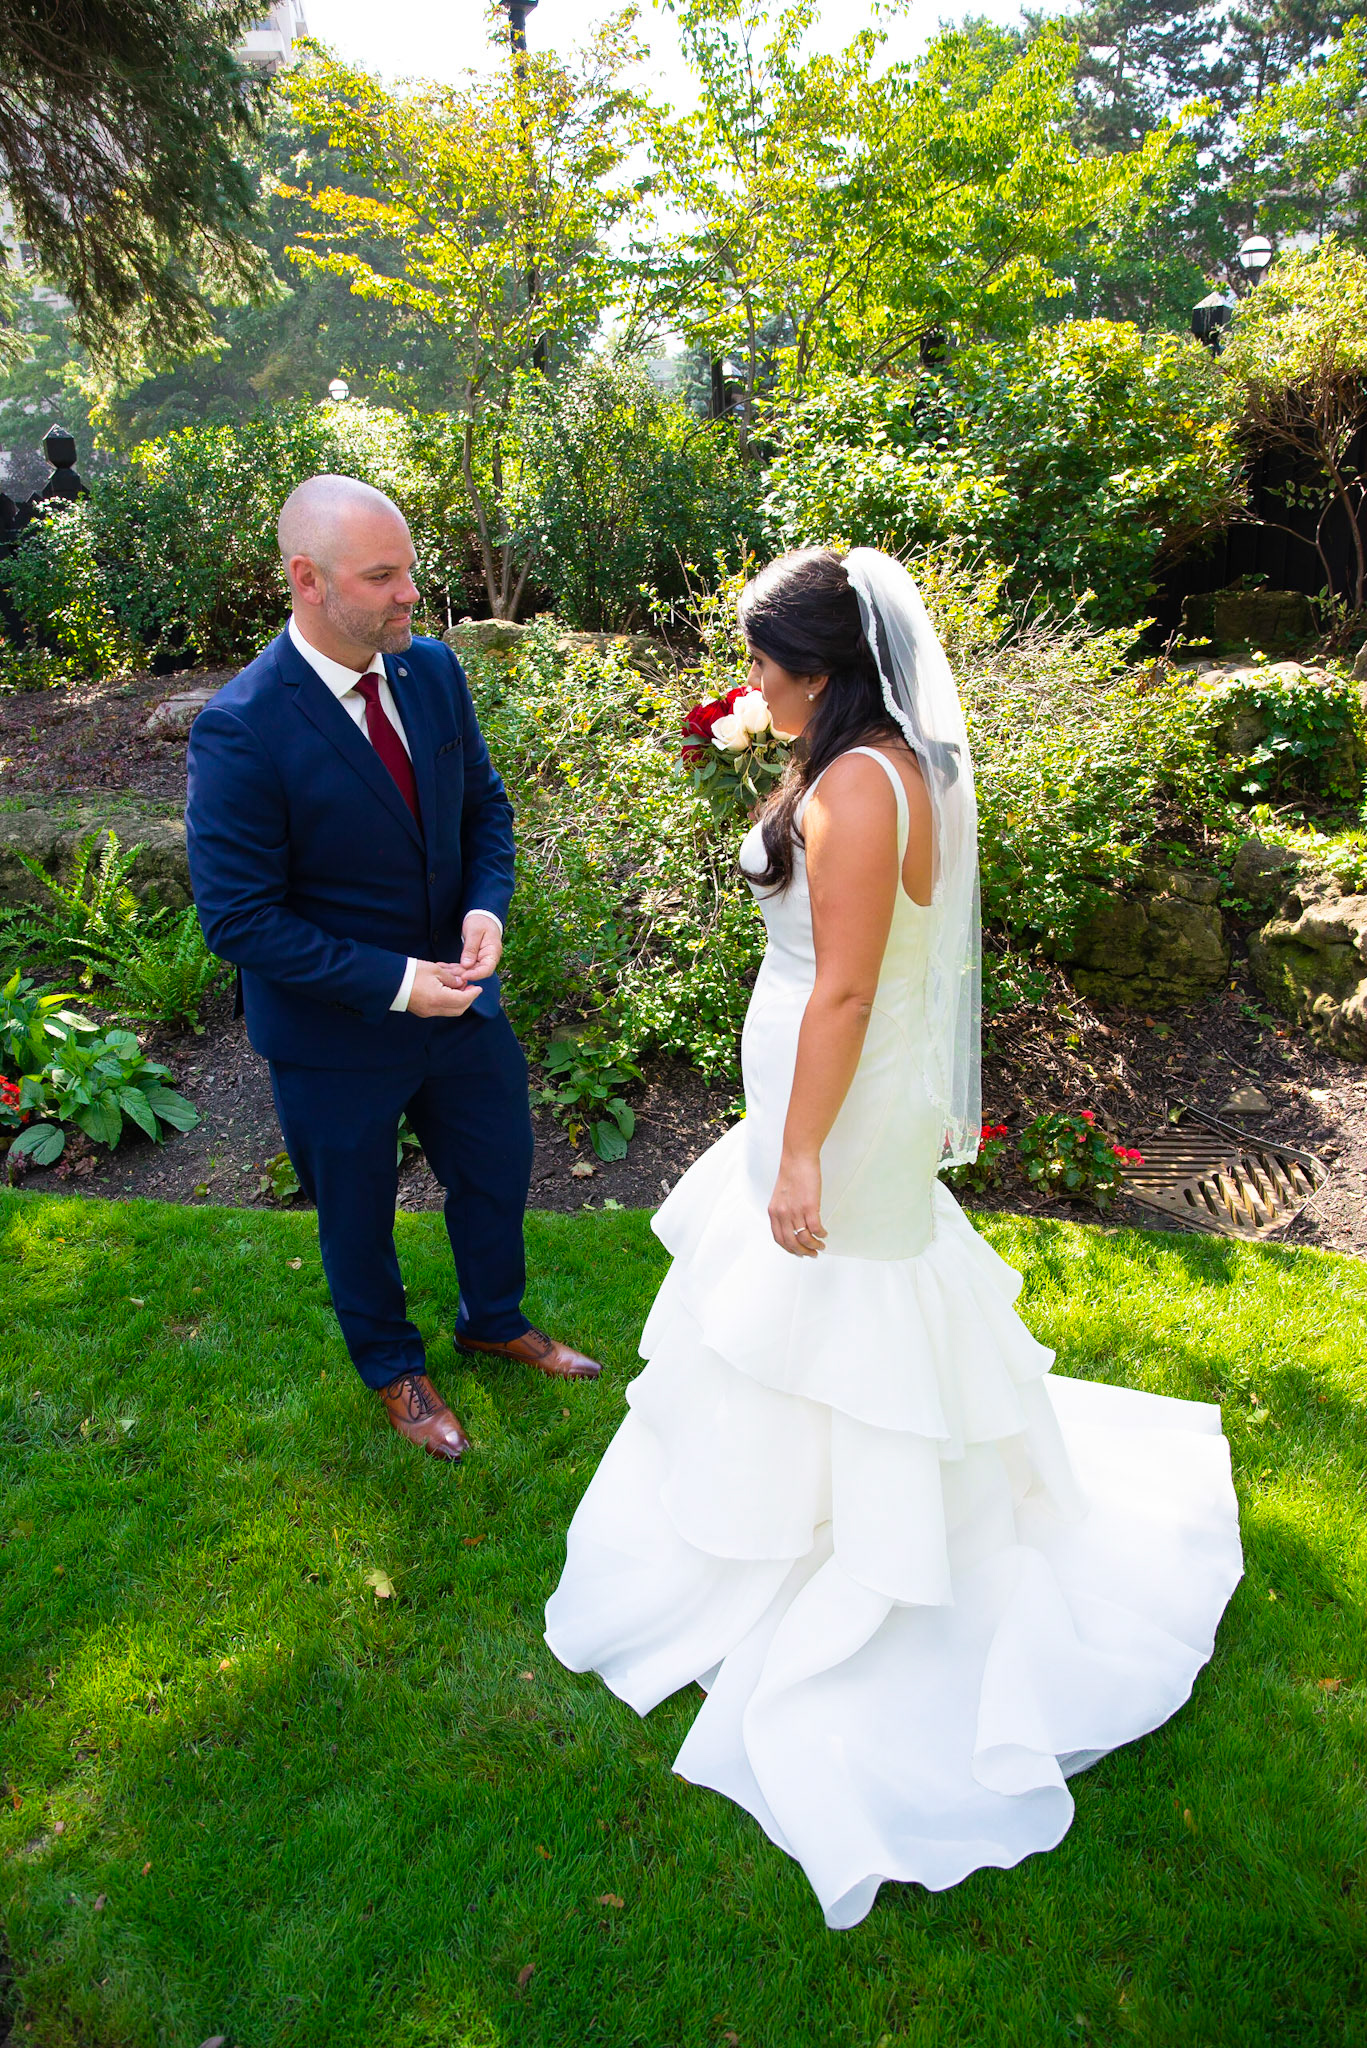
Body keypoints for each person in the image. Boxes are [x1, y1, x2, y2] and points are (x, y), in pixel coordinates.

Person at [545, 547, 1243, 1928]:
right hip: (823, 1076)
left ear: (823, 671)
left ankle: (866, 1551)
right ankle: (813, 1511)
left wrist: (802, 1148)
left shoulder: (861, 787)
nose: (748, 685)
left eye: (762, 665)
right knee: (823, 1303)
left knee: (839, 1288)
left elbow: (849, 991)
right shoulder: (872, 759)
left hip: (842, 1093)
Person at [185, 474, 600, 1461]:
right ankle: (393, 1369)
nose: (410, 592)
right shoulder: (241, 725)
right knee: (357, 1215)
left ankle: (493, 1319)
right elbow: (238, 919)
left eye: (409, 569)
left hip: (462, 1011)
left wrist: (484, 905)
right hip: (334, 1036)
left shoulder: (430, 671)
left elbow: (483, 809)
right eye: (382, 576)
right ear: (308, 580)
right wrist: (401, 983)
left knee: (496, 1169)